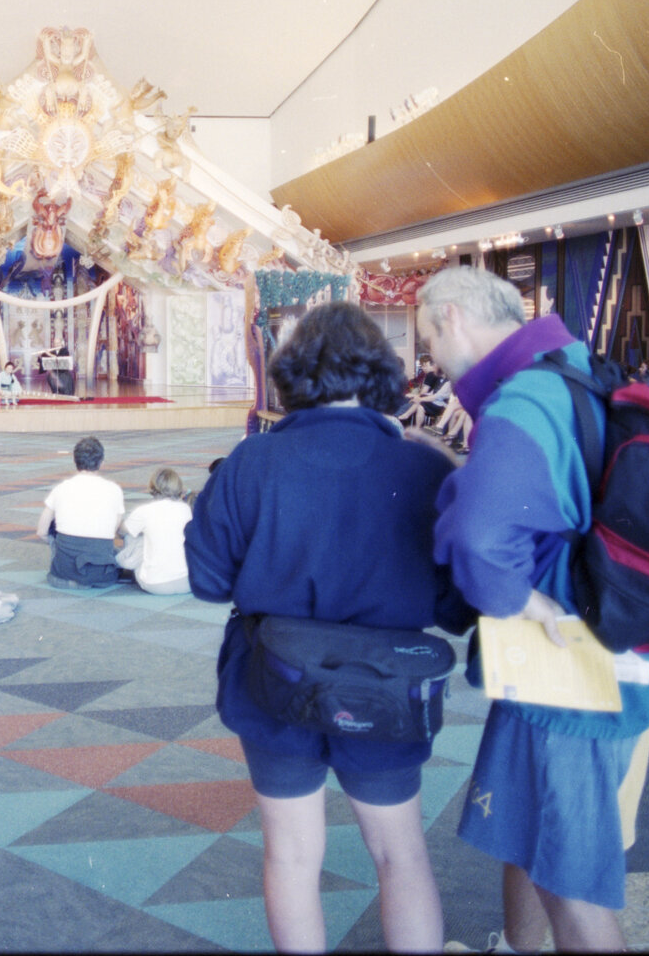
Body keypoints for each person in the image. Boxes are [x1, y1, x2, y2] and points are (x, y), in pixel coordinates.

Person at [185, 301, 467, 953]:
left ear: (293, 374)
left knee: (289, 854)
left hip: (272, 674)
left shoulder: (251, 461)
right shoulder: (424, 468)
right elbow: (456, 603)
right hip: (387, 680)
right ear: (380, 375)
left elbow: (205, 579)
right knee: (400, 853)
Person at [417, 266, 649, 953]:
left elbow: (478, 540)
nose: (430, 360)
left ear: (449, 316)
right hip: (622, 643)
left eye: (426, 340)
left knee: (570, 880)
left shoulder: (523, 398)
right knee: (532, 836)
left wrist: (521, 602)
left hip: (568, 668)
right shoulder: (573, 365)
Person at [35, 435, 125, 588]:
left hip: (63, 576)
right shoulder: (114, 490)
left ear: (75, 461)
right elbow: (113, 529)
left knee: (53, 526)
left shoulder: (61, 489)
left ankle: (67, 565)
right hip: (102, 575)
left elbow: (41, 532)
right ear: (102, 463)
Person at [117, 468, 193, 595]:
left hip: (156, 584)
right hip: (187, 583)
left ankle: (127, 567)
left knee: (134, 538)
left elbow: (122, 532)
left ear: (153, 487)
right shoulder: (185, 509)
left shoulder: (144, 511)